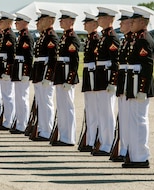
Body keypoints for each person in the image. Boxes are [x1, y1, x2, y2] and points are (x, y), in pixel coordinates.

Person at [122, 7, 154, 168]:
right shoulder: (137, 38)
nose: (131, 24)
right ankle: (135, 155)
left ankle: (141, 156)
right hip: (133, 84)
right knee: (133, 121)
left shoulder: (144, 39)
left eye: (134, 21)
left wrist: (142, 89)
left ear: (142, 22)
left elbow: (148, 66)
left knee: (140, 120)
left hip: (139, 85)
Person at [91, 7, 120, 155]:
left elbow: (116, 62)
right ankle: (103, 142)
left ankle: (108, 144)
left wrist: (113, 82)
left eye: (102, 18)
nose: (99, 20)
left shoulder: (112, 38)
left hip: (106, 78)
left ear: (110, 19)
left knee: (107, 112)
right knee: (101, 112)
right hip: (100, 77)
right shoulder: (104, 37)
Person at [49, 10, 80, 146]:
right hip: (61, 74)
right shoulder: (65, 37)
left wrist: (70, 79)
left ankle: (69, 137)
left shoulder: (72, 38)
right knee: (61, 106)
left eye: (63, 19)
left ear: (71, 22)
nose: (60, 21)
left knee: (68, 106)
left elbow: (74, 61)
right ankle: (63, 136)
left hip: (66, 75)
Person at [30, 9, 59, 141]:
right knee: (41, 102)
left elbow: (53, 59)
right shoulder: (43, 36)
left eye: (41, 21)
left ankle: (47, 131)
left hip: (45, 74)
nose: (38, 23)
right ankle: (42, 129)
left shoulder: (51, 36)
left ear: (50, 21)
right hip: (39, 72)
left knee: (46, 102)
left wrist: (48, 76)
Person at [110, 9, 134, 162]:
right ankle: (124, 148)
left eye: (123, 22)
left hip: (130, 81)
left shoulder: (133, 41)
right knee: (124, 119)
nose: (121, 25)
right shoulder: (126, 40)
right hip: (124, 81)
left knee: (129, 118)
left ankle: (128, 149)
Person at [10, 12, 34, 134]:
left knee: (22, 97)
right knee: (18, 97)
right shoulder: (21, 36)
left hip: (22, 70)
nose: (16, 24)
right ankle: (20, 122)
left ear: (25, 23)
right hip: (18, 68)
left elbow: (29, 57)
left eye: (18, 22)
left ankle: (23, 124)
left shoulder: (27, 37)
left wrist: (26, 73)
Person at [79, 11, 99, 151]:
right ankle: (90, 139)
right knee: (90, 110)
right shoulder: (90, 39)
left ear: (94, 24)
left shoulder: (96, 39)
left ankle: (93, 140)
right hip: (88, 74)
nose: (84, 25)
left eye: (87, 22)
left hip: (93, 76)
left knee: (94, 110)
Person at [0, 11, 16, 130]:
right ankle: (7, 120)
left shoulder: (10, 36)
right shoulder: (4, 35)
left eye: (2, 21)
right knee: (5, 95)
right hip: (3, 69)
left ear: (8, 23)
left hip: (7, 70)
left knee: (8, 96)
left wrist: (8, 72)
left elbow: (11, 56)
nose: (0, 23)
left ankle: (9, 120)